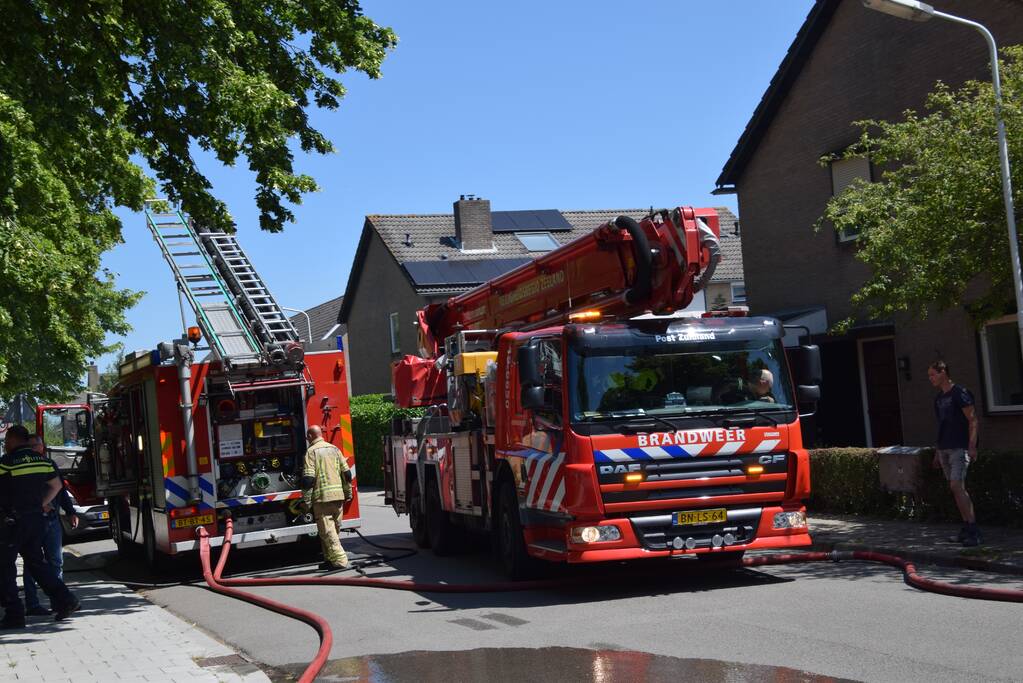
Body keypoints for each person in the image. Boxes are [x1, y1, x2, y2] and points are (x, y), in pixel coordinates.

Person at [0, 425, 80, 628]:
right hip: (36, 521)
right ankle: (66, 599)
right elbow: (57, 486)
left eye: (6, 440)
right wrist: (41, 503)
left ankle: (14, 614)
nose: (5, 444)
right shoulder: (43, 462)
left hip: (12, 523)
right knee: (38, 564)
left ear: (12, 439)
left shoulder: (6, 463)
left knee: (5, 567)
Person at [23, 434, 78, 616]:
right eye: (29, 445)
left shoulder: (49, 465)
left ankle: (59, 602)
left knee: (55, 561)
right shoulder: (24, 466)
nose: (32, 449)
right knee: (32, 563)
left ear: (42, 447)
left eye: (35, 446)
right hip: (32, 520)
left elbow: (60, 489)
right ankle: (32, 604)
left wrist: (70, 512)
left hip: (52, 519)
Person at [927, 361, 981, 546]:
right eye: (929, 376)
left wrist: (972, 445)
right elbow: (941, 426)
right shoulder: (938, 399)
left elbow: (972, 420)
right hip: (944, 448)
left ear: (943, 372)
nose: (931, 378)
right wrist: (937, 451)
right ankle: (966, 527)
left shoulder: (960, 393)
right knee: (954, 489)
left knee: (957, 486)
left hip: (959, 447)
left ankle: (974, 531)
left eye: (933, 374)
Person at [301, 425, 352, 571]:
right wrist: (348, 493)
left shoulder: (311, 452)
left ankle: (340, 560)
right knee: (332, 531)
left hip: (322, 499)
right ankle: (329, 560)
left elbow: (308, 480)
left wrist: (306, 501)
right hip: (338, 497)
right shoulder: (335, 449)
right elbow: (347, 474)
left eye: (307, 436)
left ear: (310, 436)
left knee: (327, 532)